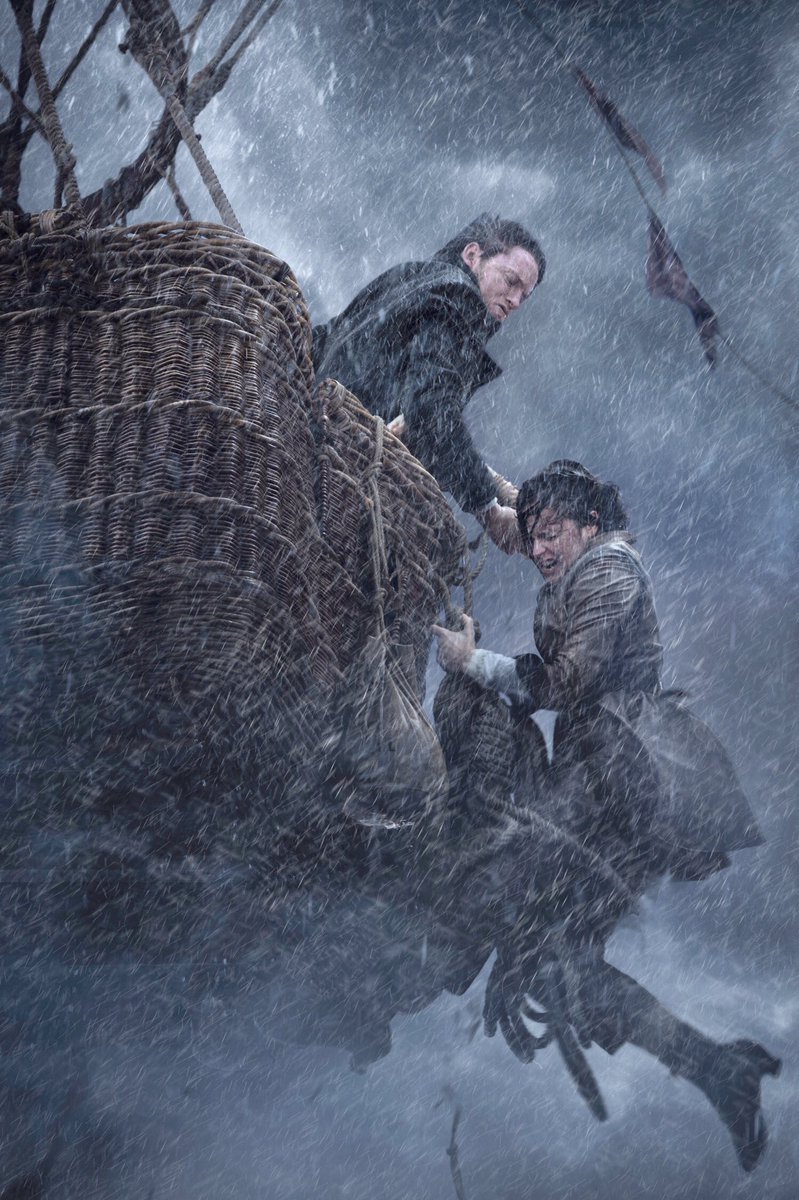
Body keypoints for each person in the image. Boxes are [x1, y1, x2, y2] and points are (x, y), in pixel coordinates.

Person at [431, 460, 780, 1172]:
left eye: (552, 532)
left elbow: (568, 681)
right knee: (564, 966)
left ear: (590, 526)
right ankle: (719, 1070)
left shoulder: (609, 571)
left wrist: (471, 662)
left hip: (619, 772)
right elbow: (522, 524)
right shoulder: (577, 561)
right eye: (533, 536)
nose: (539, 548)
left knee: (541, 932)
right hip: (598, 766)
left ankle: (719, 1069)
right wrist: (479, 482)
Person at [312, 213, 545, 553]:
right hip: (336, 482)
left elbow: (323, 341)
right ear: (472, 255)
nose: (515, 301)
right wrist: (489, 511)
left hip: (306, 445)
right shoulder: (460, 298)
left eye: (524, 296)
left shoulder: (408, 277)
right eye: (511, 282)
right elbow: (430, 409)